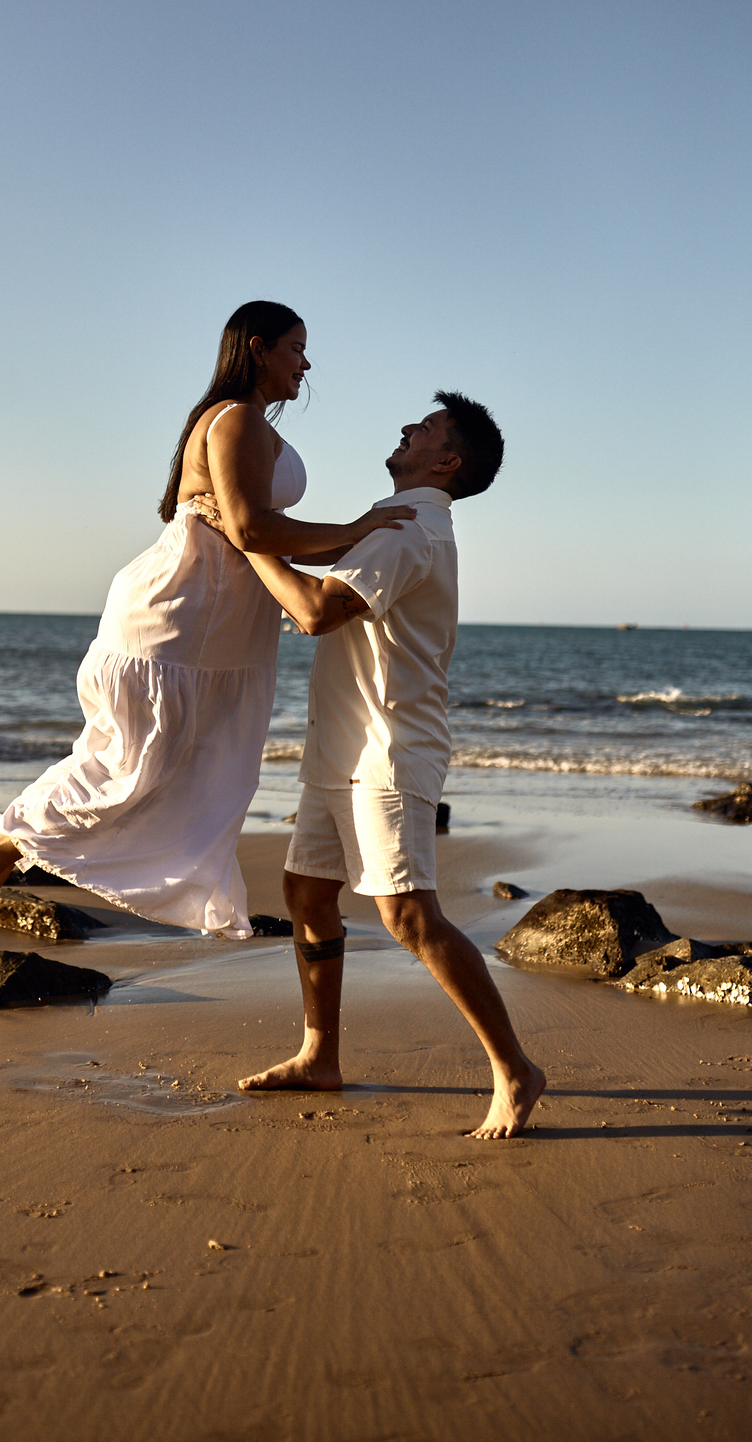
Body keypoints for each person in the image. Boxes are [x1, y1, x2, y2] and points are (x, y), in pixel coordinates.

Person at [0, 301, 414, 944]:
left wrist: (362, 542)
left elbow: (257, 530)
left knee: (180, 774)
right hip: (180, 620)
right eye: (296, 347)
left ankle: (4, 846)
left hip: (220, 628)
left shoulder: (246, 422)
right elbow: (250, 529)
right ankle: (3, 845)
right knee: (132, 766)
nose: (306, 363)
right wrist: (357, 529)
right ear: (257, 348)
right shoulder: (236, 420)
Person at [228, 392, 546, 1141]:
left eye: (427, 427)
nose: (408, 426)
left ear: (447, 461)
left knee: (408, 915)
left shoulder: (412, 530)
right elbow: (312, 562)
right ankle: (320, 1055)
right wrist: (252, 533)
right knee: (307, 893)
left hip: (389, 750)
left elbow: (312, 611)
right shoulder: (391, 521)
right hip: (343, 745)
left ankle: (515, 1069)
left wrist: (248, 541)